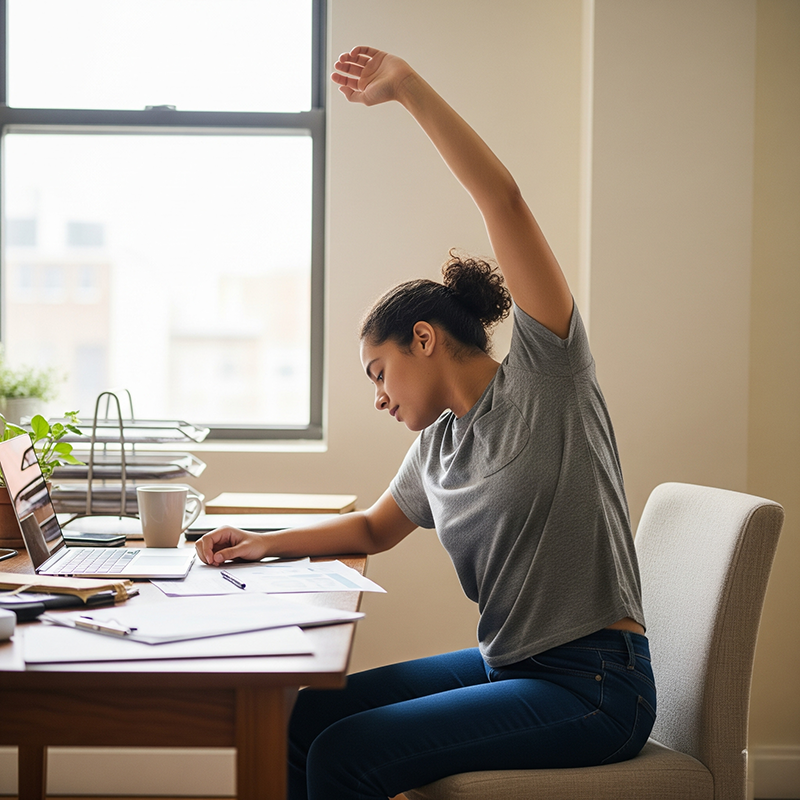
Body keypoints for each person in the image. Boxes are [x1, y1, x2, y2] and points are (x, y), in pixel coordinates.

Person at [196, 46, 656, 800]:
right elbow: (374, 529)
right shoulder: (438, 444)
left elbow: (502, 200)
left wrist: (407, 88)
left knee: (347, 754)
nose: (377, 398)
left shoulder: (549, 379)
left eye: (378, 373)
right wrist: (260, 545)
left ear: (424, 338)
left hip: (597, 685)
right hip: (508, 664)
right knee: (309, 720)